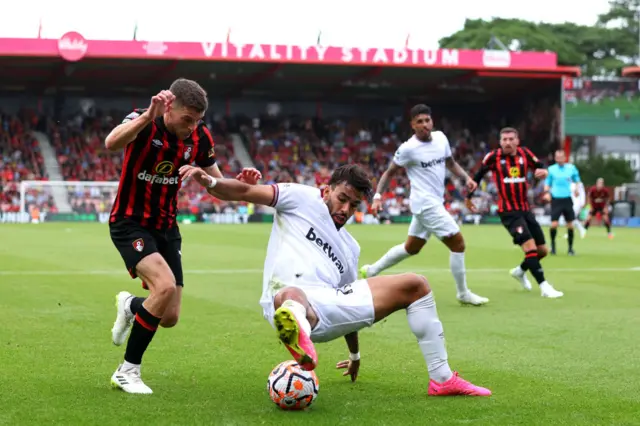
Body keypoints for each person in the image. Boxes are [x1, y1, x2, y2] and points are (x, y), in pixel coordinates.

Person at [180, 163, 492, 397]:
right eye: (342, 198)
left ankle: (441, 378)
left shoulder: (350, 248)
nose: (345, 209)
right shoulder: (300, 198)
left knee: (417, 285)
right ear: (327, 190)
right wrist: (209, 180)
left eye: (354, 205)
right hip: (284, 299)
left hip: (328, 307)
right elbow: (245, 191)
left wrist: (355, 355)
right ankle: (295, 324)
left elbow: (349, 297)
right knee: (292, 294)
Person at [105, 78, 261, 394]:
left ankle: (131, 306)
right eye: (187, 119)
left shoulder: (200, 138)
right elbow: (111, 143)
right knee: (163, 288)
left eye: (197, 121)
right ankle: (127, 371)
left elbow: (220, 188)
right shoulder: (143, 120)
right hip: (130, 223)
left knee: (170, 316)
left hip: (167, 228)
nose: (192, 127)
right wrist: (147, 116)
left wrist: (241, 183)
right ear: (169, 108)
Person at [360, 104, 488, 306]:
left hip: (434, 202)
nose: (424, 125)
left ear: (432, 121)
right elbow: (389, 172)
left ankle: (372, 270)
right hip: (425, 204)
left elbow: (451, 162)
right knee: (458, 244)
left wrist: (466, 178)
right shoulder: (408, 149)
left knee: (411, 247)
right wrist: (377, 197)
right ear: (412, 125)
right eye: (419, 121)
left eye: (427, 120)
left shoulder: (441, 139)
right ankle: (463, 293)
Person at [466, 127, 563, 298]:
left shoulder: (525, 154)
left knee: (542, 251)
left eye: (511, 139)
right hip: (508, 212)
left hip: (525, 209)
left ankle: (520, 271)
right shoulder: (493, 157)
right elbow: (477, 176)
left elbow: (540, 167)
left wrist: (544, 171)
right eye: (504, 139)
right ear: (500, 142)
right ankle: (544, 286)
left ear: (517, 141)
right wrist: (469, 197)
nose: (508, 143)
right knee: (530, 248)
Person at [543, 150, 582, 255]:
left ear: (565, 157)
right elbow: (547, 182)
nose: (559, 159)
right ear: (555, 158)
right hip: (556, 199)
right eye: (557, 157)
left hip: (567, 198)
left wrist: (577, 189)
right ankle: (553, 246)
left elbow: (577, 180)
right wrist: (546, 192)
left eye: (561, 157)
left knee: (570, 225)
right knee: (554, 224)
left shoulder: (571, 168)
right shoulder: (551, 169)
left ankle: (570, 248)